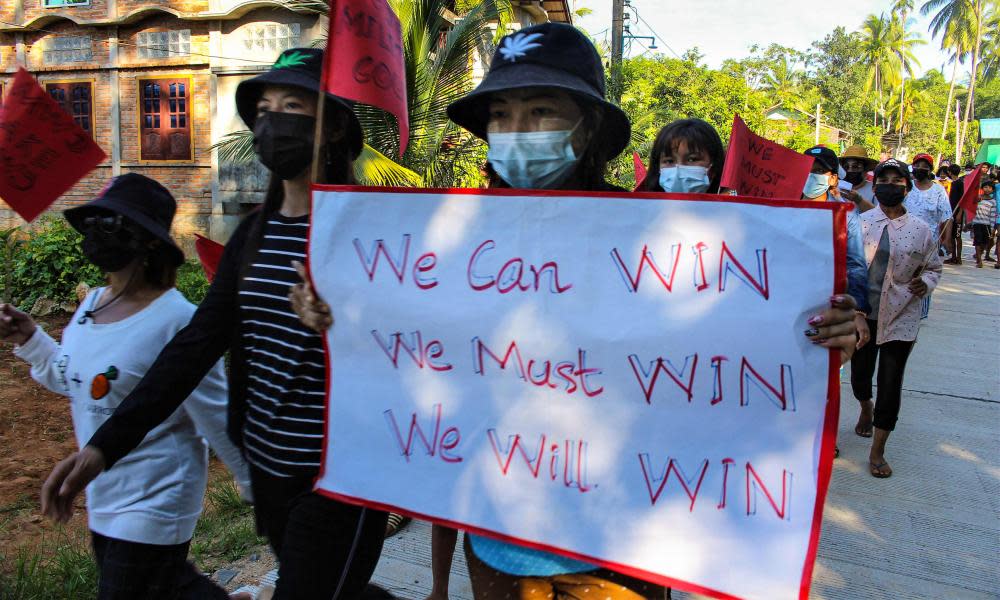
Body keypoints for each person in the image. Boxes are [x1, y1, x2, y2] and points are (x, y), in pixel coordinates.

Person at [292, 23, 861, 600]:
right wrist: (336, 310)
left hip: (624, 551)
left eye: (541, 111)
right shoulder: (449, 242)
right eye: (501, 114)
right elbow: (411, 346)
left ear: (588, 128)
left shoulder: (656, 238)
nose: (517, 131)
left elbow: (738, 343)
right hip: (496, 545)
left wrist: (835, 327)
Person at [37, 48, 390, 600]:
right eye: (264, 108)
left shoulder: (375, 235)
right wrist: (103, 447)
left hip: (343, 478)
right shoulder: (252, 238)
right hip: (271, 469)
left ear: (333, 127)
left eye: (292, 105)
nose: (273, 122)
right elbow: (194, 347)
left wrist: (343, 327)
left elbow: (412, 349)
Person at [1, 174, 250, 600]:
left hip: (158, 494)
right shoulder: (92, 305)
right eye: (94, 222)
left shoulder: (178, 320)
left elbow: (214, 411)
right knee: (166, 588)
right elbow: (79, 381)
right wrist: (31, 338)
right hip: (102, 491)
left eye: (112, 224)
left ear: (149, 241)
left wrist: (256, 488)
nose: (98, 233)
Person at [851, 159, 942, 478]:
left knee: (890, 383)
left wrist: (926, 283)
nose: (890, 185)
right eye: (884, 180)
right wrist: (857, 313)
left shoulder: (921, 230)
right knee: (860, 377)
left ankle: (877, 450)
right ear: (875, 187)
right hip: (863, 317)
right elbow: (850, 270)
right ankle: (865, 407)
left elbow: (934, 267)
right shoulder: (860, 224)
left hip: (901, 316)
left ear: (907, 186)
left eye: (897, 180)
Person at [801, 145, 872, 353]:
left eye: (818, 171)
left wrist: (858, 311)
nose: (811, 175)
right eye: (807, 169)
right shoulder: (782, 206)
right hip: (788, 298)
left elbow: (855, 263)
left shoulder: (846, 215)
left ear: (832, 179)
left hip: (828, 302)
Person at [904, 153, 951, 317]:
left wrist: (946, 240)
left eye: (925, 166)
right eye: (917, 165)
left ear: (931, 169)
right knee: (904, 274)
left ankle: (921, 313)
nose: (920, 169)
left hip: (929, 242)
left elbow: (947, 216)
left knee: (924, 276)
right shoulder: (906, 187)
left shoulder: (938, 191)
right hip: (905, 239)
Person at [637, 118, 725, 193]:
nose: (678, 169)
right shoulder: (643, 211)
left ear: (714, 166)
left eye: (692, 159)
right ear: (658, 167)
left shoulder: (732, 210)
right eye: (669, 161)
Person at [840, 144, 877, 211]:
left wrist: (858, 200)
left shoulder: (874, 190)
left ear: (866, 168)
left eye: (855, 166)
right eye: (846, 167)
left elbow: (879, 216)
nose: (850, 170)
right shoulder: (836, 188)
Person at [972, 179, 997, 268]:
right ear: (982, 188)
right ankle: (979, 261)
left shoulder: (993, 202)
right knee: (977, 242)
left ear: (992, 190)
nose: (987, 189)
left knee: (985, 243)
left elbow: (993, 215)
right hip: (977, 223)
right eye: (985, 187)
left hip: (987, 224)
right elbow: (971, 209)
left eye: (990, 187)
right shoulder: (978, 198)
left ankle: (979, 254)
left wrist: (992, 228)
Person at [945, 164, 965, 264]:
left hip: (957, 213)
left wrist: (960, 213)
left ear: (950, 172)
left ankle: (959, 257)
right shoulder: (951, 184)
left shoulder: (960, 183)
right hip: (950, 212)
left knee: (957, 236)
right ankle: (953, 256)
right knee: (952, 235)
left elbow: (963, 200)